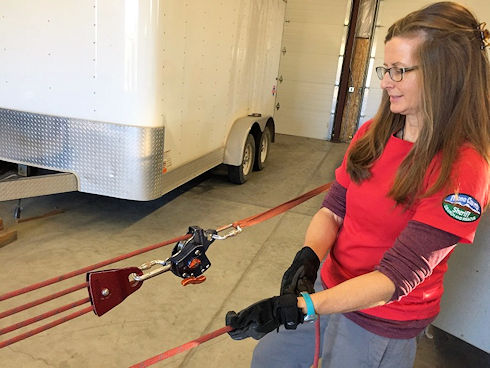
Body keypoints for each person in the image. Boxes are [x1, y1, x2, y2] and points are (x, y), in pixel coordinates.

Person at [225, 2, 490, 367]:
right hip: (328, 290)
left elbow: (395, 279)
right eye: (386, 68)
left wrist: (302, 308)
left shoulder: (463, 169)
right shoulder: (373, 134)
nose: (384, 82)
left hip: (382, 320)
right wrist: (309, 256)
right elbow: (334, 209)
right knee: (271, 359)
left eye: (399, 70)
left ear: (445, 74)